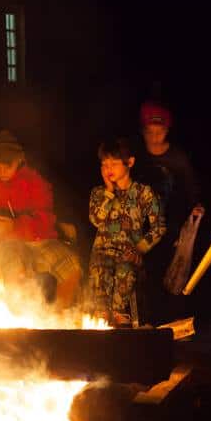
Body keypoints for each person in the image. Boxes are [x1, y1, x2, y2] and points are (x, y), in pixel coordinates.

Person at [0, 129, 83, 309]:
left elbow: (45, 220)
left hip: (38, 241)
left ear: (19, 160)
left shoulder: (35, 183)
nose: (2, 171)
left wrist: (15, 225)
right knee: (13, 267)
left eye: (8, 166)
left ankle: (59, 319)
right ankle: (22, 318)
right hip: (3, 244)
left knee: (71, 266)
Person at [134, 101, 204, 326]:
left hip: (170, 223)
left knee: (171, 273)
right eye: (150, 132)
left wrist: (196, 206)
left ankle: (171, 322)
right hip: (143, 225)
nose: (155, 137)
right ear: (144, 132)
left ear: (167, 131)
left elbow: (190, 186)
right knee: (146, 272)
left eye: (160, 132)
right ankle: (147, 321)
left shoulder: (177, 157)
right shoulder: (138, 158)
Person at [88, 137, 166, 328]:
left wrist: (139, 249)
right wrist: (109, 192)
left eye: (114, 163)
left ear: (129, 163)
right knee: (100, 270)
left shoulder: (143, 193)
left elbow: (159, 228)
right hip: (102, 253)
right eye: (104, 164)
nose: (108, 169)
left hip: (128, 254)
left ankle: (121, 322)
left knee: (125, 270)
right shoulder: (98, 193)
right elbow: (96, 220)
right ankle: (101, 321)